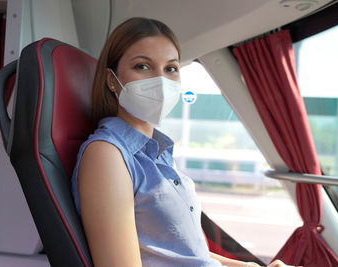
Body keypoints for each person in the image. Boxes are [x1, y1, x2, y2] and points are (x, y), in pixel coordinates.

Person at [71, 17, 296, 267]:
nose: (161, 81)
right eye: (143, 66)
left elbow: (180, 254)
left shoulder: (158, 153)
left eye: (171, 69)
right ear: (112, 80)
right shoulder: (107, 154)